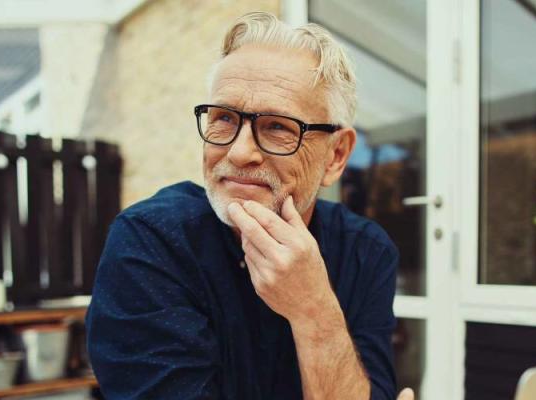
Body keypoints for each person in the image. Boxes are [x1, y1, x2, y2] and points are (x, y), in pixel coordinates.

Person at [85, 12, 414, 400]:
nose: (240, 152)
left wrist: (314, 311)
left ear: (336, 156)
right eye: (224, 118)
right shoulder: (152, 242)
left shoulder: (365, 250)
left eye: (277, 126)